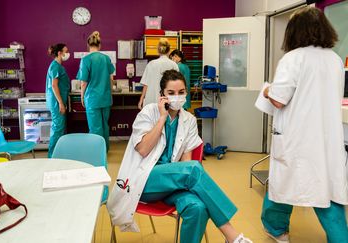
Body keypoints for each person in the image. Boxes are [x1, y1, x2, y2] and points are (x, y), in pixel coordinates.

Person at [107, 70, 252, 243]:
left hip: (172, 184)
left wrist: (195, 189)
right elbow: (143, 149)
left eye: (181, 92)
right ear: (162, 95)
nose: (177, 96)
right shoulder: (148, 113)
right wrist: (162, 118)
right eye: (171, 93)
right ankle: (231, 235)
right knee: (192, 170)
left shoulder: (189, 120)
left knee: (197, 207)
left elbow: (186, 161)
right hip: (144, 182)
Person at [262, 7, 348, 243]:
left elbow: (278, 100)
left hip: (297, 139)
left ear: (294, 32)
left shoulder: (293, 58)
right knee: (326, 191)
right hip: (324, 138)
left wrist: (267, 89)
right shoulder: (334, 60)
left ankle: (277, 229)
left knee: (284, 184)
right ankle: (339, 238)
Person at [77, 31, 115, 152]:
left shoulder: (86, 60)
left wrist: (82, 97)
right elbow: (111, 79)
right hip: (105, 98)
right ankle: (105, 149)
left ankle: (96, 152)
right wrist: (109, 93)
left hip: (92, 99)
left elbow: (83, 82)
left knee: (95, 127)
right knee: (104, 125)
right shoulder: (106, 58)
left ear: (88, 45)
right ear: (100, 45)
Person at [138, 38, 179, 109]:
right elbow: (177, 85)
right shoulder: (174, 65)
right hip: (167, 101)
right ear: (169, 51)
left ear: (158, 51)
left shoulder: (151, 64)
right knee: (165, 119)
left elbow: (146, 84)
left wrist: (141, 100)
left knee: (151, 119)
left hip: (151, 102)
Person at [46, 43, 70, 158]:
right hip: (57, 102)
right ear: (60, 53)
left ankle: (58, 154)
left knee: (60, 128)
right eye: (66, 51)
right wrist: (60, 103)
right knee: (57, 128)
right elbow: (54, 86)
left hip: (59, 100)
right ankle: (52, 156)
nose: (67, 53)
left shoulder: (58, 66)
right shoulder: (55, 66)